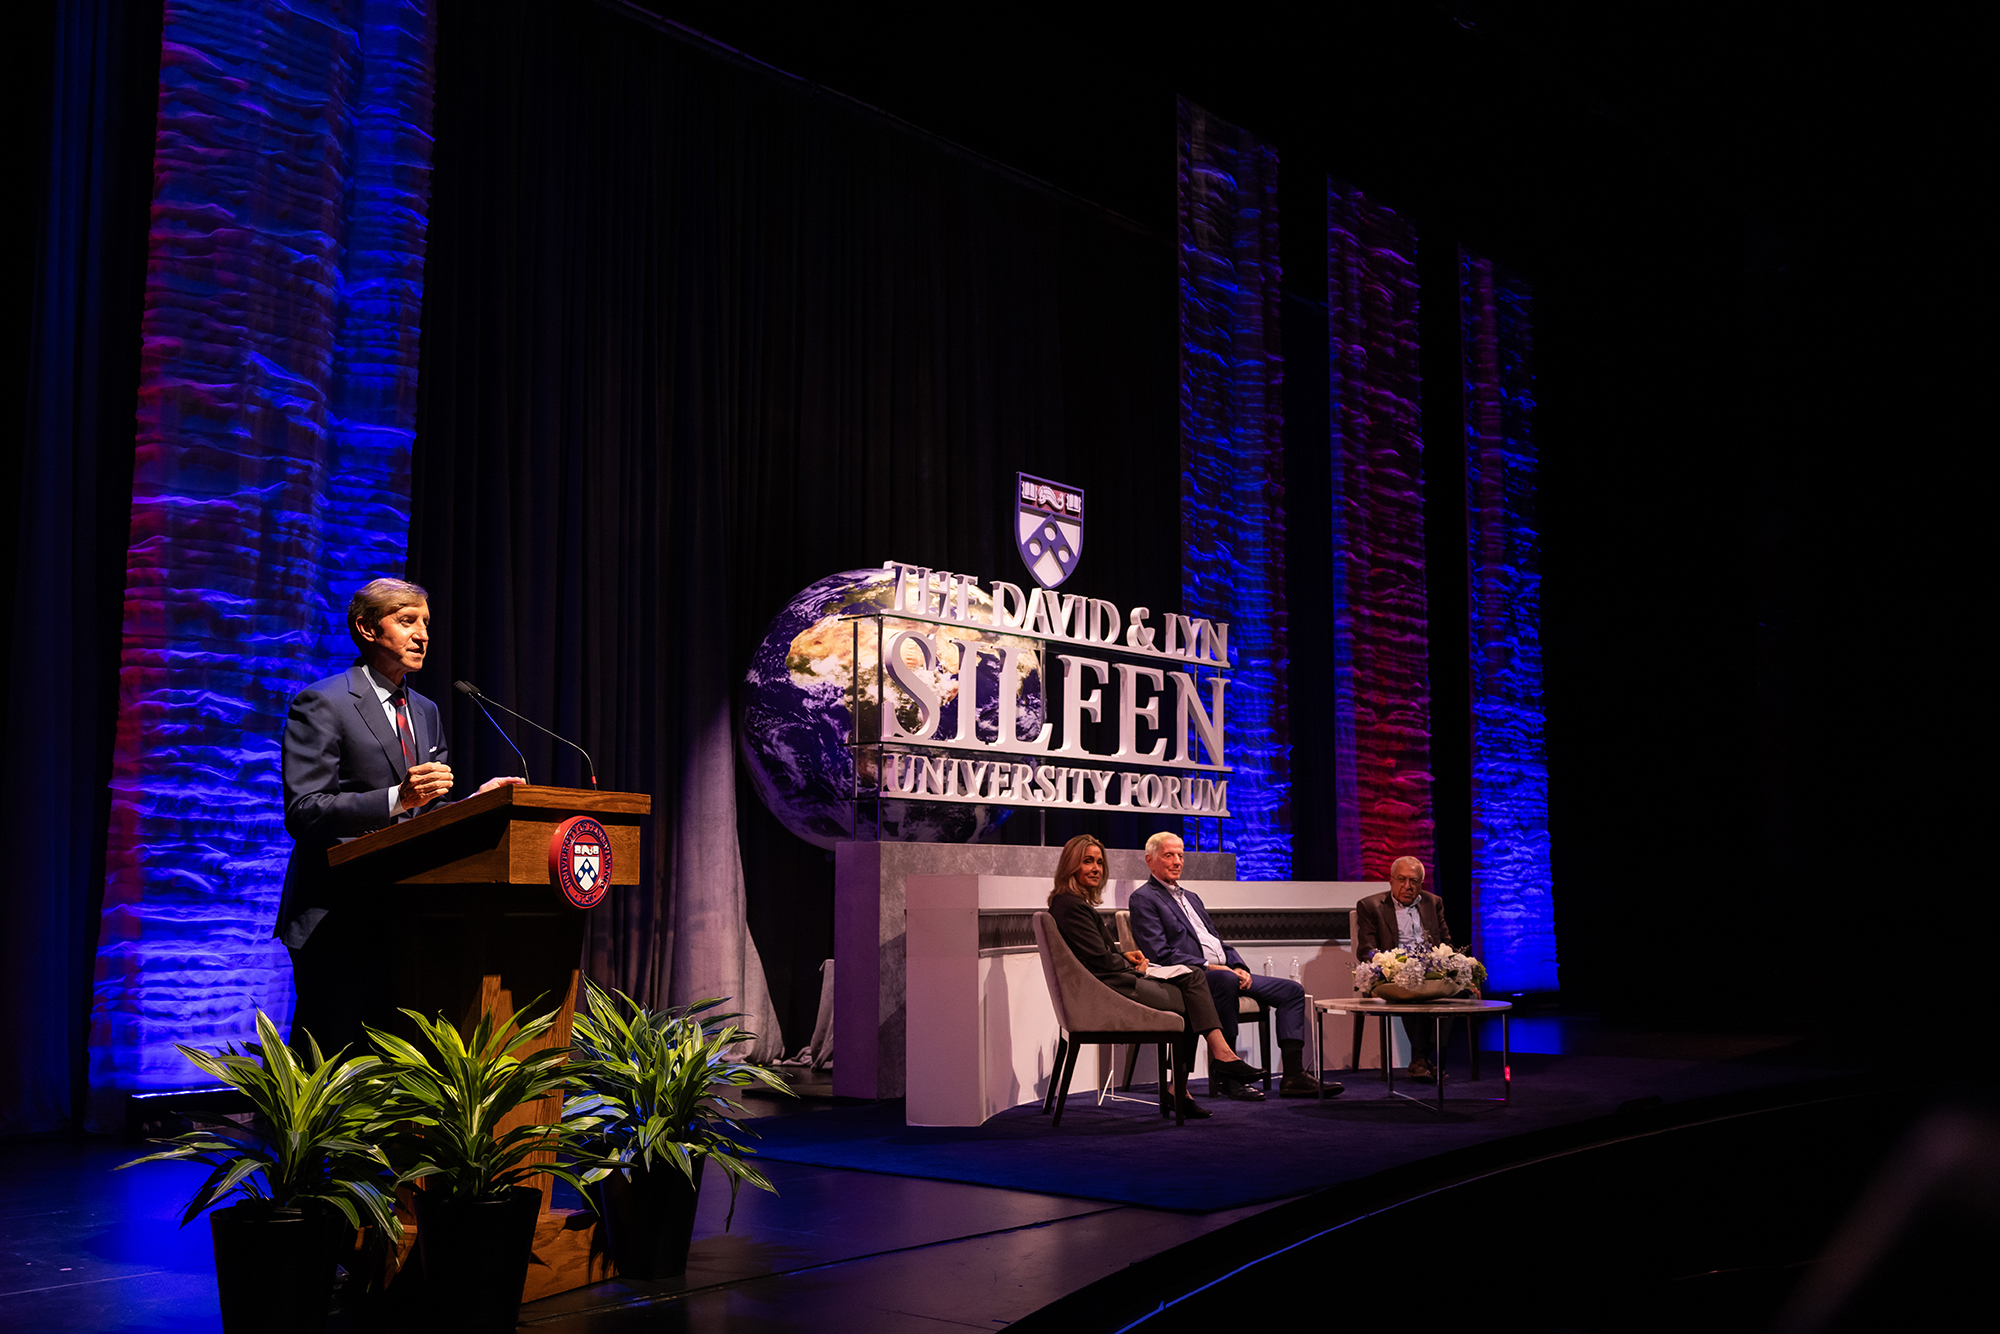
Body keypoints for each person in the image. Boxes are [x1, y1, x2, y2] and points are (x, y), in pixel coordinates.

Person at [275, 578, 522, 1058]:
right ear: (367, 629)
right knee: (331, 1061)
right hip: (336, 915)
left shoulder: (425, 710)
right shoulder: (323, 703)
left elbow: (426, 815)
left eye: (426, 623)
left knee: (393, 1064)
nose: (423, 634)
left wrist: (480, 803)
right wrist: (395, 798)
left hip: (405, 916)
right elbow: (304, 811)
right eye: (407, 621)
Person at [1044, 834, 1266, 1120]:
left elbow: (1093, 954)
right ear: (1070, 865)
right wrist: (1128, 966)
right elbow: (1099, 961)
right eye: (1088, 862)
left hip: (1113, 980)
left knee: (1191, 979)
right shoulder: (1072, 906)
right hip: (1114, 988)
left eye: (1099, 862)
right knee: (1193, 986)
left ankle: (1195, 1078)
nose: (1096, 869)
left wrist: (1125, 956)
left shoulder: (1070, 903)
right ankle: (1215, 1061)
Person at [1129, 831, 1340, 1100]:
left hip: (1225, 971)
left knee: (1292, 991)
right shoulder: (1144, 898)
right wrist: (1211, 967)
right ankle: (1229, 1076)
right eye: (1169, 855)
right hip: (1190, 976)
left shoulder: (1191, 897)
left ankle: (1294, 1076)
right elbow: (1159, 952)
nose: (1177, 861)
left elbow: (1216, 941)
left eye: (1181, 855)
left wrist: (1239, 965)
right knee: (1225, 981)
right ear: (1150, 860)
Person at [1353, 855, 1458, 1079]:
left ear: (1421, 883)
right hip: (1393, 973)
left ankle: (1426, 1058)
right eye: (1402, 879)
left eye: (1414, 881)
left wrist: (1459, 971)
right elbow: (1366, 950)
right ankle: (1424, 1060)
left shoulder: (1433, 902)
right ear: (1390, 881)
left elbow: (1446, 944)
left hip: (1431, 970)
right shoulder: (1371, 906)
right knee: (1410, 985)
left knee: (1460, 993)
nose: (1407, 886)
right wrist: (1387, 968)